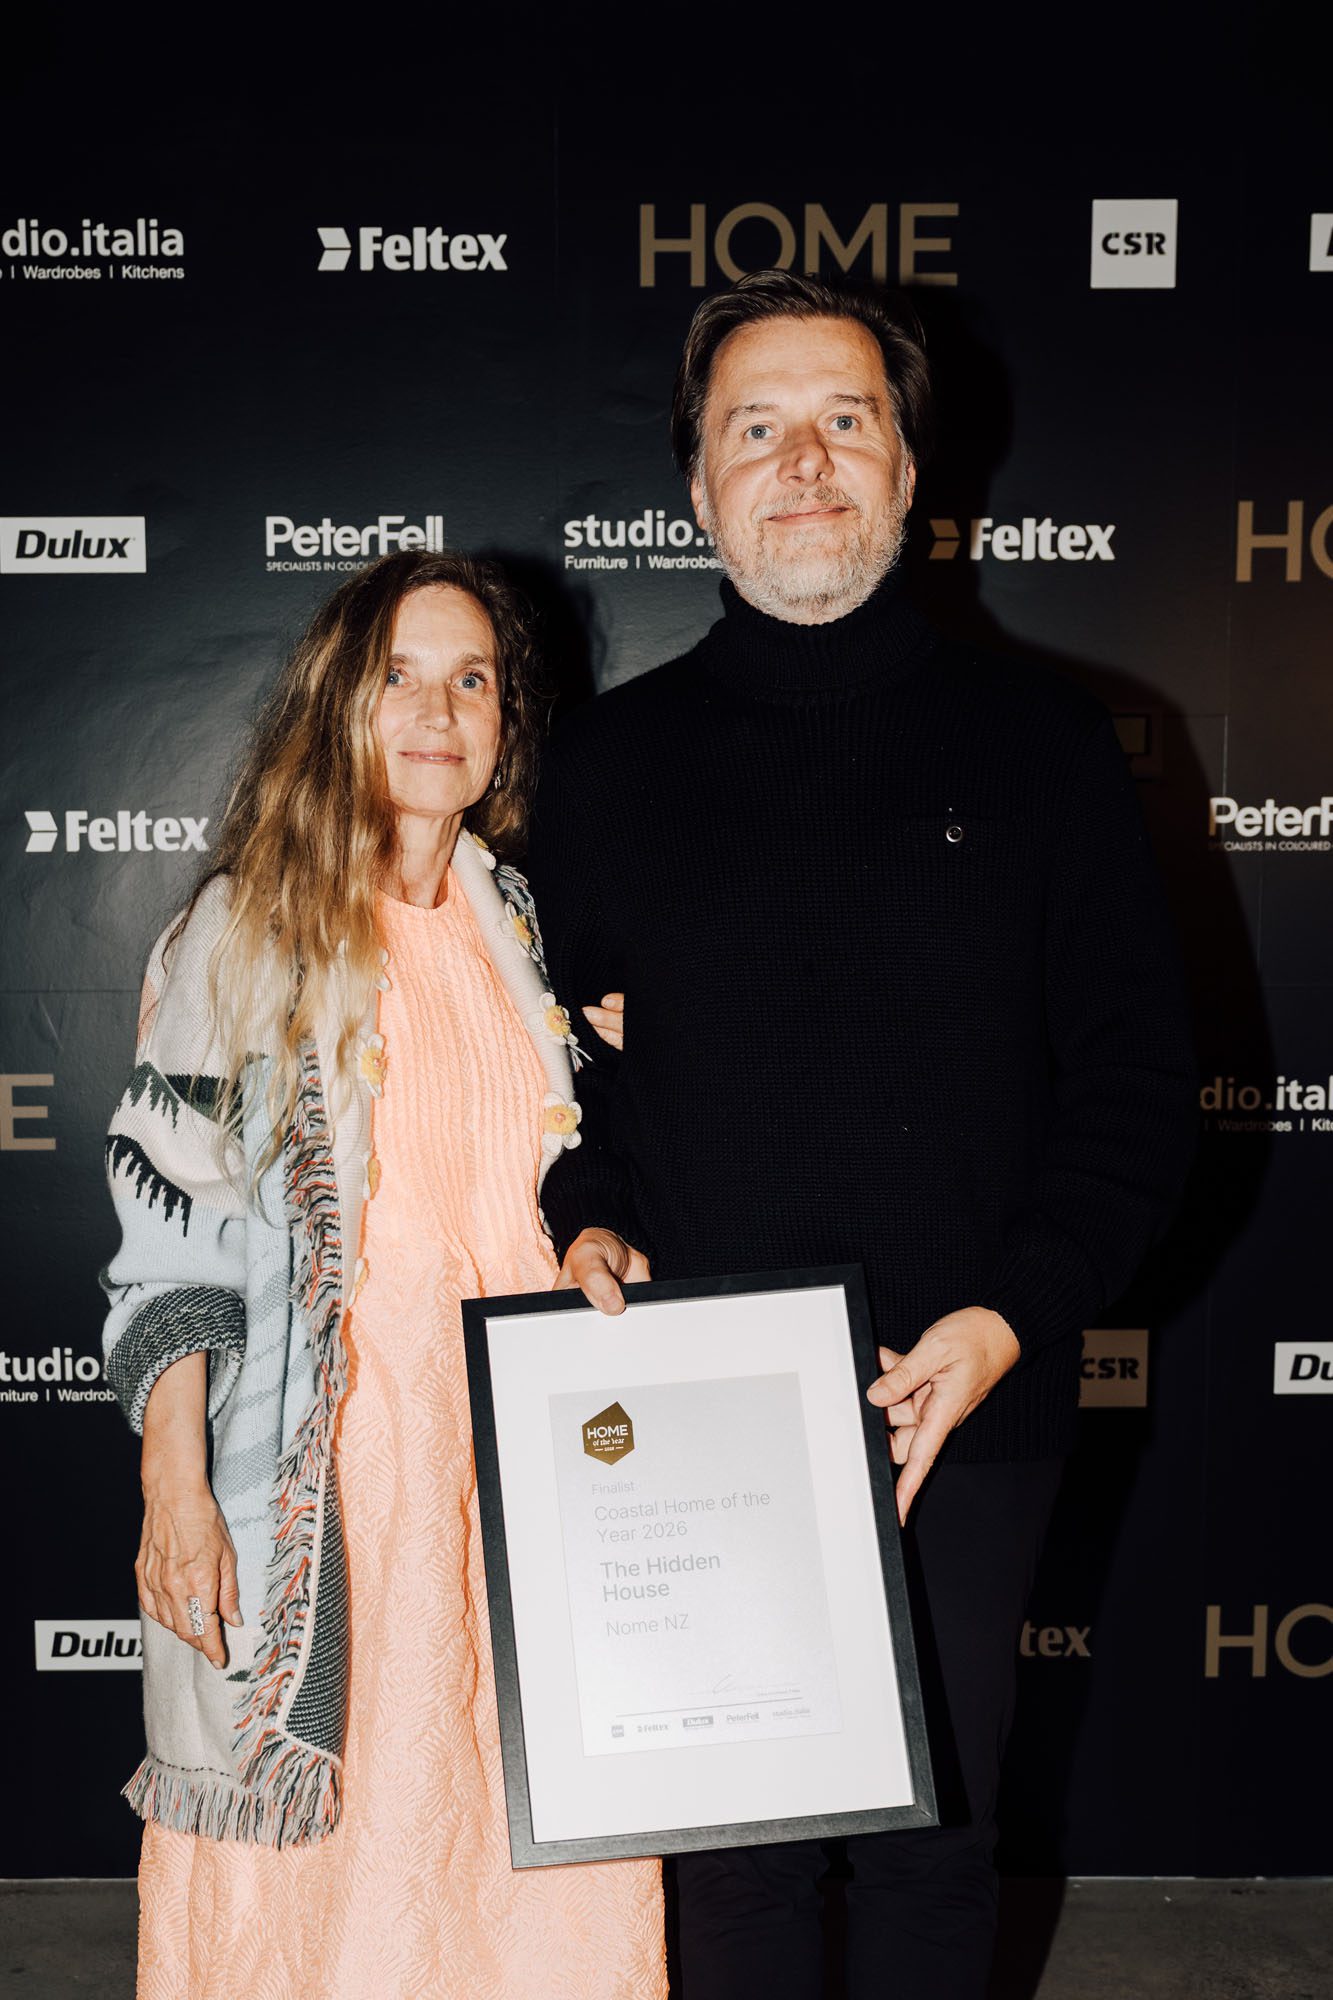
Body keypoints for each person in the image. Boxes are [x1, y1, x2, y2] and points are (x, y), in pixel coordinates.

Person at [524, 271, 1197, 1999]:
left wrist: (1006, 1321)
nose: (803, 461)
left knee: (931, 1856)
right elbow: (565, 1087)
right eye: (755, 427)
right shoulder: (601, 770)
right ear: (699, 487)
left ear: (908, 469)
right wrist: (587, 1214)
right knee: (729, 1874)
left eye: (845, 419)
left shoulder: (1046, 745)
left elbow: (1136, 1089)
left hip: (964, 1392)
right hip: (695, 1412)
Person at [101, 551, 664, 2000]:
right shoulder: (249, 929)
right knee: (347, 1862)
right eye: (399, 675)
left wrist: (588, 1232)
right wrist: (174, 1488)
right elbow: (170, 1230)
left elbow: (552, 1168)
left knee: (523, 1842)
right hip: (338, 1470)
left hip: (516, 1457)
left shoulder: (516, 925)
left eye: (472, 678)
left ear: (506, 721)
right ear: (338, 702)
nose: (438, 710)